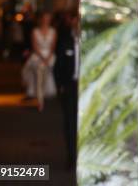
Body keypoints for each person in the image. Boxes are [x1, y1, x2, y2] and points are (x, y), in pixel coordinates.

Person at [53, 10, 79, 168]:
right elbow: (58, 66)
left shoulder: (90, 43)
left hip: (86, 87)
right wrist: (60, 86)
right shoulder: (65, 41)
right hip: (70, 86)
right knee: (70, 122)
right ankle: (71, 157)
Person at [21, 11, 57, 111]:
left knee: (45, 77)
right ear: (41, 19)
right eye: (45, 18)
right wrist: (42, 58)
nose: (46, 20)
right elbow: (35, 46)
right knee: (39, 75)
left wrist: (48, 58)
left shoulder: (53, 31)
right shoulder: (35, 31)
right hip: (38, 57)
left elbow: (53, 47)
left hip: (49, 57)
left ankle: (42, 95)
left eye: (48, 18)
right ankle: (40, 101)